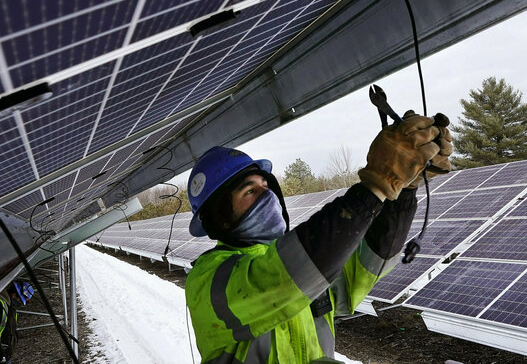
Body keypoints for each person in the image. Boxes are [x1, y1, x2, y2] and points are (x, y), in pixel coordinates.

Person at [185, 111, 453, 363]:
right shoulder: (207, 280)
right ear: (219, 215)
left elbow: (368, 264)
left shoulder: (305, 267)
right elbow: (283, 277)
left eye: (267, 188)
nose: (267, 198)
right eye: (250, 192)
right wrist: (378, 182)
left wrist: (404, 189)